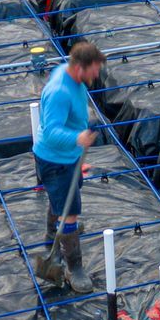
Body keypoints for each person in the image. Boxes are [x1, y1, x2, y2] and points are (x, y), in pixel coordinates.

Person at [33, 40, 106, 293]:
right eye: (94, 69)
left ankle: (54, 234)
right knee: (70, 210)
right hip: (56, 160)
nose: (97, 74)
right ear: (80, 68)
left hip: (69, 156)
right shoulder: (59, 92)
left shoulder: (70, 74)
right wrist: (77, 138)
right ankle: (74, 268)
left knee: (62, 202)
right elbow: (52, 131)